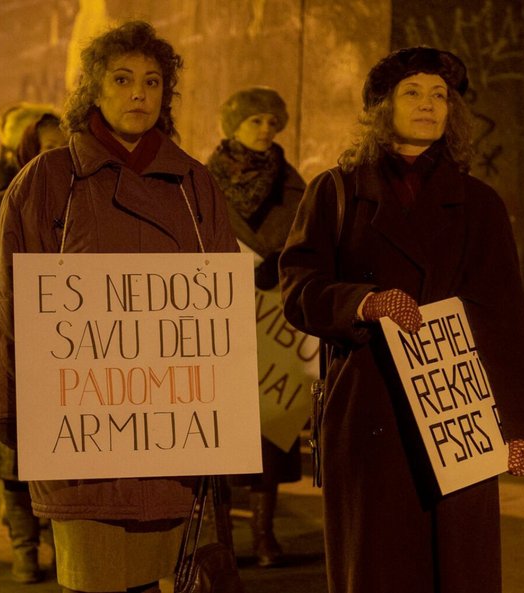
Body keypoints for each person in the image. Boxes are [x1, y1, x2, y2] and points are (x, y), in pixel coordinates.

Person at [279, 47, 524, 593]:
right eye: (412, 92)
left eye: (439, 95)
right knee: (376, 566)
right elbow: (298, 290)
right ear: (382, 106)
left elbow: (506, 317)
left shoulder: (480, 203)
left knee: (459, 567)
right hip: (368, 409)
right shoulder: (335, 192)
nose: (428, 105)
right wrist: (364, 302)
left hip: (459, 412)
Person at [0, 21, 238, 593]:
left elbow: (221, 310)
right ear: (94, 90)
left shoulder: (195, 185)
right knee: (94, 582)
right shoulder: (47, 182)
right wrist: (10, 407)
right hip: (82, 446)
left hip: (169, 442)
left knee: (157, 580)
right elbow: (8, 306)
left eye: (152, 81)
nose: (138, 93)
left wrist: (226, 409)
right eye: (122, 79)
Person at [206, 86, 305, 567]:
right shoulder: (204, 179)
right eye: (254, 122)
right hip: (217, 318)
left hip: (271, 322)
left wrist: (282, 262)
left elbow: (309, 235)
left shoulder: (291, 181)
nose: (265, 130)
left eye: (272, 122)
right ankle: (221, 538)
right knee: (220, 432)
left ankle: (264, 537)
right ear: (233, 127)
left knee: (271, 427)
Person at [0, 111, 66, 585]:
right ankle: (24, 546)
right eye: (45, 145)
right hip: (19, 344)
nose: (55, 153)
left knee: (61, 453)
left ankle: (55, 538)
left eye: (62, 144)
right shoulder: (1, 202)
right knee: (15, 459)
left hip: (65, 350)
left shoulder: (83, 200)